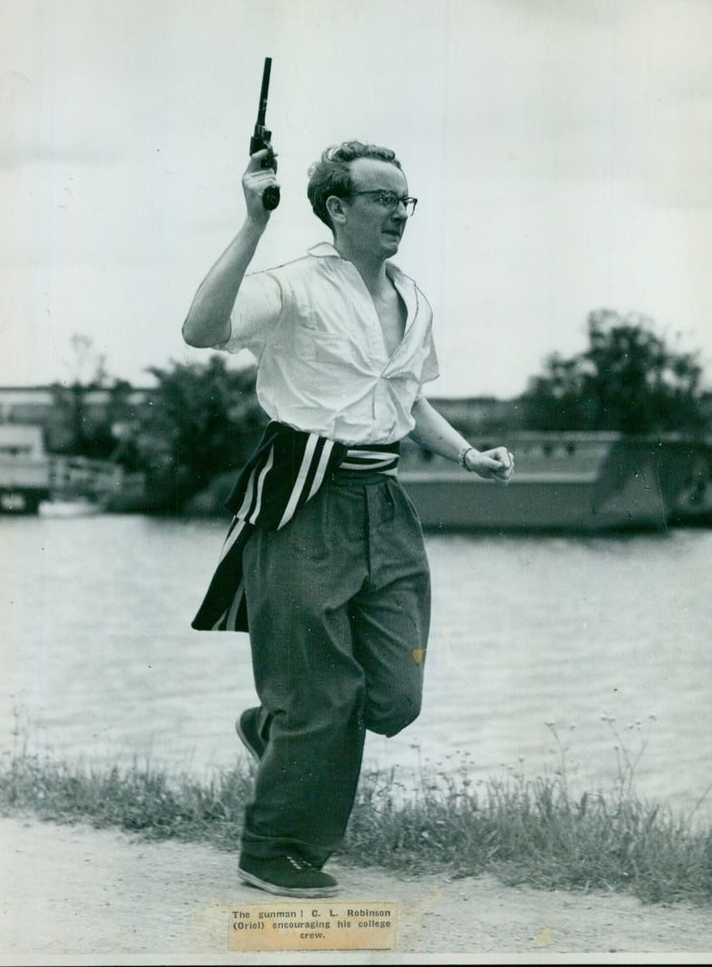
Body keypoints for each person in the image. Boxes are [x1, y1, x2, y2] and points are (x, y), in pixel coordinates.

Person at [182, 140, 515, 898]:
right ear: (338, 207)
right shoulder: (292, 285)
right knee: (319, 693)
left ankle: (276, 736)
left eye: (406, 200)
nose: (400, 212)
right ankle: (275, 850)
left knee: (396, 694)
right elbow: (202, 331)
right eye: (382, 199)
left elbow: (408, 396)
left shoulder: (414, 297)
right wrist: (250, 223)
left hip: (385, 502)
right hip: (303, 495)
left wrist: (467, 456)